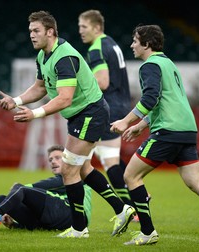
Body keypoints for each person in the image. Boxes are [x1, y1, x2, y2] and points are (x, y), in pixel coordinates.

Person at [0, 11, 135, 238]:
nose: (31, 35)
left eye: (36, 30)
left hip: (91, 113)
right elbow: (40, 87)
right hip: (81, 115)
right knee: (84, 169)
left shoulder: (64, 57)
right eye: (30, 31)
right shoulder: (43, 55)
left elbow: (64, 98)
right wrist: (16, 100)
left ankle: (79, 228)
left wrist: (35, 113)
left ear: (50, 32)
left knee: (69, 170)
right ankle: (122, 209)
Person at [110, 24, 199, 247]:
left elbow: (151, 98)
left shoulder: (149, 66)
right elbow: (168, 100)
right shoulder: (168, 63)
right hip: (187, 130)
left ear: (147, 44)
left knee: (130, 176)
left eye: (135, 40)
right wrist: (142, 125)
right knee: (195, 181)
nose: (132, 44)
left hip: (168, 131)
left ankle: (147, 231)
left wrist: (125, 121)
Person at [78, 10, 135, 209]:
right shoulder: (110, 42)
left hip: (109, 108)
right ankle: (137, 194)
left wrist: (79, 82)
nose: (80, 31)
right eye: (79, 27)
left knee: (108, 161)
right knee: (111, 157)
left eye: (84, 27)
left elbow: (102, 82)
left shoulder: (96, 48)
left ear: (97, 27)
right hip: (121, 104)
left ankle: (130, 207)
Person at [0, 145, 92, 231]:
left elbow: (37, 187)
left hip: (75, 216)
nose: (53, 161)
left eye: (58, 158)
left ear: (68, 160)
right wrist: (14, 225)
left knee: (21, 190)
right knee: (0, 198)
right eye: (50, 159)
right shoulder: (61, 184)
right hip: (56, 220)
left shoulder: (74, 176)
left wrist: (18, 188)